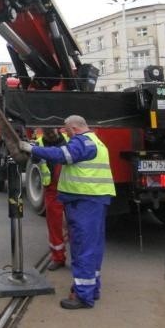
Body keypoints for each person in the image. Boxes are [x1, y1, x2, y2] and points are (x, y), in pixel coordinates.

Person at [20, 115, 115, 310]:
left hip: (85, 202)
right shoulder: (95, 141)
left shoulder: (82, 142)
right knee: (93, 248)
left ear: (73, 128)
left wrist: (31, 148)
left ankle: (83, 296)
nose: (65, 134)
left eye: (66, 130)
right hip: (93, 201)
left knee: (83, 249)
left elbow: (62, 155)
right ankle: (92, 289)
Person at [35, 128, 68, 271]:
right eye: (47, 132)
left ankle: (79, 258)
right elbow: (34, 158)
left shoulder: (69, 138)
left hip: (70, 186)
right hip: (52, 189)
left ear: (57, 129)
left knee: (75, 225)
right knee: (54, 225)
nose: (50, 134)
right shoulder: (39, 143)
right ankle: (58, 257)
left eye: (52, 131)